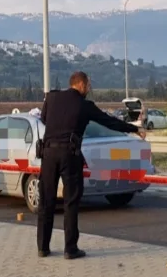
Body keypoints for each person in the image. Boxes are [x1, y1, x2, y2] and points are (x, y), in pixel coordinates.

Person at [36, 71, 147, 259]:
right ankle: (70, 249)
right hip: (69, 155)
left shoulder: (51, 98)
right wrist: (134, 128)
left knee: (46, 201)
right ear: (81, 85)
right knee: (71, 202)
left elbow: (44, 119)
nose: (89, 89)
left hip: (48, 154)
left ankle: (42, 247)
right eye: (88, 85)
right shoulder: (84, 105)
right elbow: (109, 122)